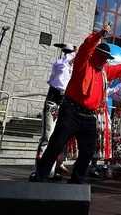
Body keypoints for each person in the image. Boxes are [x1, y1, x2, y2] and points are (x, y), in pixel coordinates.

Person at [30, 25, 121, 184]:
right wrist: (99, 35)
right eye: (102, 56)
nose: (104, 60)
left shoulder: (104, 71)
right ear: (96, 54)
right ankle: (40, 176)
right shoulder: (83, 62)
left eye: (106, 58)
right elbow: (86, 47)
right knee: (55, 145)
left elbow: (120, 69)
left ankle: (76, 180)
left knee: (88, 150)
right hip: (71, 112)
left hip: (89, 116)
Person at [33, 42, 77, 180]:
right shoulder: (59, 64)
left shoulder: (71, 68)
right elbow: (62, 64)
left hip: (63, 103)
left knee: (56, 139)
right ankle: (38, 170)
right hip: (53, 101)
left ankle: (50, 170)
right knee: (46, 136)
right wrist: (72, 54)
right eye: (70, 53)